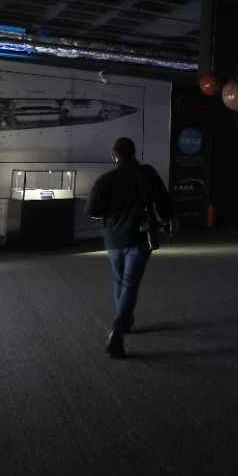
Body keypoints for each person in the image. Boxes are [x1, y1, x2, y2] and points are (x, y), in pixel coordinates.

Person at [87, 136, 172, 359]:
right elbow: (163, 201)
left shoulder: (106, 180)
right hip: (139, 238)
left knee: (119, 280)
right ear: (134, 153)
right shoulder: (147, 173)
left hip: (114, 239)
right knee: (130, 283)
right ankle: (118, 329)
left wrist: (110, 213)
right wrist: (168, 219)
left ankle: (124, 323)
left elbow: (92, 210)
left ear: (114, 156)